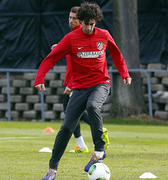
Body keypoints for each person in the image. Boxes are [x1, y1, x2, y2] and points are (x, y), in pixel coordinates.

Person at [35, 2, 132, 179]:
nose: (89, 27)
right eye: (86, 23)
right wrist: (39, 78)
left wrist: (124, 73)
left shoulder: (104, 35)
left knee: (93, 106)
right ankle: (52, 169)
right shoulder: (71, 38)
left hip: (101, 84)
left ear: (96, 22)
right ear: (81, 21)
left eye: (92, 24)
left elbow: (117, 54)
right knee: (66, 128)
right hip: (79, 88)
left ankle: (99, 150)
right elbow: (51, 58)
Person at [51, 6, 109, 154]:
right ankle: (83, 144)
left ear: (82, 20)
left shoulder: (87, 35)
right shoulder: (72, 36)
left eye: (74, 18)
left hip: (79, 83)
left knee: (76, 110)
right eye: (69, 18)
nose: (71, 21)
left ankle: (96, 132)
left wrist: (70, 84)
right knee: (71, 110)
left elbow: (79, 64)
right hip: (73, 81)